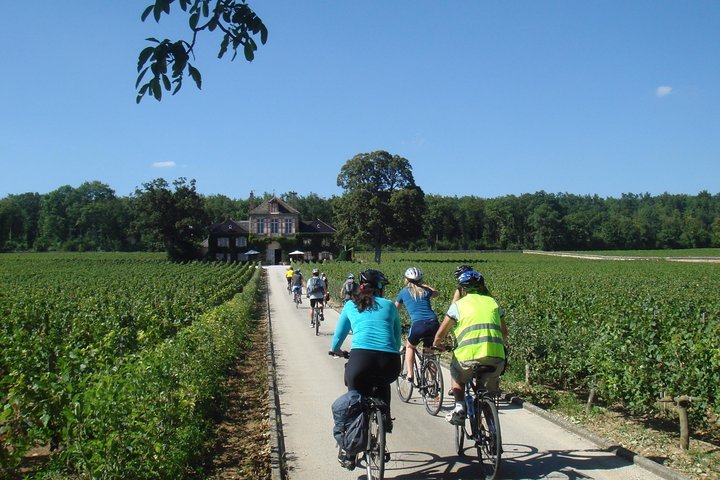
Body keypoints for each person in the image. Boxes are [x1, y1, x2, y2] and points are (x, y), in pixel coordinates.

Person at [331, 269, 401, 467]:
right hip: (390, 362)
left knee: (355, 401)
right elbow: (396, 340)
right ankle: (384, 416)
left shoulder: (350, 305)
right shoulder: (389, 305)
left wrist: (335, 350)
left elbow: (339, 336)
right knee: (383, 381)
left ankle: (350, 454)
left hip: (360, 361)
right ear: (379, 289)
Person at [433, 270, 508, 426]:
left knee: (456, 376)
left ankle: (459, 407)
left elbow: (441, 334)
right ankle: (492, 430)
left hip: (467, 358)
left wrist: (438, 344)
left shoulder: (458, 306)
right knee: (487, 393)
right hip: (496, 357)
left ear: (463, 289)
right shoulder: (493, 303)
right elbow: (504, 334)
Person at [394, 267, 439, 384]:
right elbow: (436, 293)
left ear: (406, 280)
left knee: (410, 347)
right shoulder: (425, 291)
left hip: (419, 325)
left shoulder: (403, 292)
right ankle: (432, 382)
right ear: (420, 280)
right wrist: (424, 285)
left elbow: (394, 309)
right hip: (434, 323)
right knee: (429, 352)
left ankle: (410, 374)